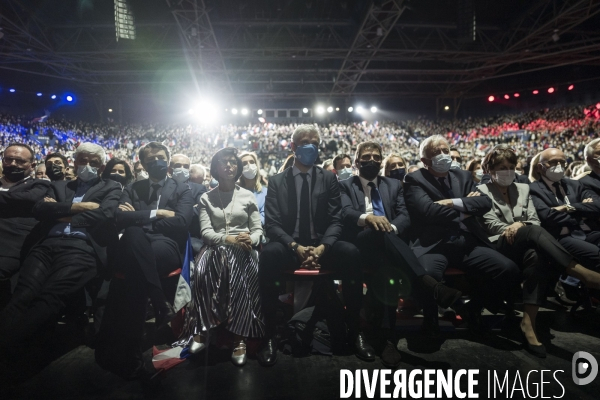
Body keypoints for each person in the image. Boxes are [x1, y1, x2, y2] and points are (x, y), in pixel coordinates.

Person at [339, 141, 461, 367]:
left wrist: (390, 229)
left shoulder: (394, 185)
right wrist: (369, 219)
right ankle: (428, 284)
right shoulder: (345, 185)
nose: (373, 160)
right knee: (378, 232)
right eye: (367, 157)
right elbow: (346, 212)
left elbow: (404, 216)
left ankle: (387, 338)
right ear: (357, 162)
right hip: (359, 243)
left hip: (389, 245)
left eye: (377, 156)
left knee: (388, 267)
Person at [258, 124, 368, 366]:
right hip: (289, 248)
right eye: (305, 142)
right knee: (268, 255)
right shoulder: (277, 181)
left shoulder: (328, 178)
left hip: (321, 247)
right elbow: (273, 225)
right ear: (294, 147)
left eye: (315, 143)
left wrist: (322, 248)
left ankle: (355, 330)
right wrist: (295, 247)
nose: (311, 146)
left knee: (350, 253)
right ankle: (270, 333)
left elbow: (335, 219)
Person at [478, 144, 600, 358]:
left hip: (525, 241)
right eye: (501, 166)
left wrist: (521, 224)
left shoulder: (523, 189)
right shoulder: (481, 192)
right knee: (534, 231)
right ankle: (582, 273)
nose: (507, 171)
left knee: (536, 256)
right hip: (498, 244)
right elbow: (490, 224)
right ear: (489, 169)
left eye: (510, 166)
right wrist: (514, 226)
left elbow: (533, 218)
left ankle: (529, 323)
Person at [0, 143, 121, 357]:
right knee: (22, 294)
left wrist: (58, 212)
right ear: (74, 162)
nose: (87, 165)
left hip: (82, 248)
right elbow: (39, 209)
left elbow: (106, 215)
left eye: (94, 163)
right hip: (46, 246)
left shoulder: (111, 186)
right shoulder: (60, 186)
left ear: (101, 167)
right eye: (83, 160)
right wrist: (83, 208)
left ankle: (8, 342)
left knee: (50, 297)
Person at [96, 141, 194, 379]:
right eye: (150, 159)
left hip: (165, 245)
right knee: (133, 237)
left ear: (168, 160)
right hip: (133, 245)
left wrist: (138, 218)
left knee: (133, 245)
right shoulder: (132, 187)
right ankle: (160, 303)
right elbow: (118, 216)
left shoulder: (182, 188)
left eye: (161, 157)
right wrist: (157, 213)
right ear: (142, 163)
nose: (156, 162)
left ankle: (128, 350)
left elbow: (181, 222)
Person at [403, 135, 519, 335]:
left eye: (445, 151)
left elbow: (484, 203)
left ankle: (473, 308)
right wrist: (466, 205)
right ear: (424, 161)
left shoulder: (463, 176)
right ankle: (431, 319)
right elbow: (427, 211)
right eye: (436, 153)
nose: (443, 155)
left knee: (508, 269)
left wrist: (453, 203)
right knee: (427, 275)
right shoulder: (414, 179)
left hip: (467, 243)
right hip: (435, 245)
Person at [176, 148, 264, 367]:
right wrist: (228, 240)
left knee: (234, 260)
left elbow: (257, 229)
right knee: (215, 261)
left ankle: (238, 336)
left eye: (233, 162)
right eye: (224, 162)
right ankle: (205, 329)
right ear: (215, 168)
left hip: (244, 249)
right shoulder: (207, 197)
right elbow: (206, 233)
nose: (229, 165)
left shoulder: (247, 195)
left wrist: (250, 240)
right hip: (215, 248)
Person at [529, 148, 600, 273]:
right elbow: (548, 217)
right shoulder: (533, 189)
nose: (558, 166)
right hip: (562, 237)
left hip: (589, 231)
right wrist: (581, 212)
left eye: (562, 162)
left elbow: (597, 206)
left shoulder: (574, 184)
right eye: (553, 162)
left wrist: (568, 207)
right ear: (540, 168)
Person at [0, 143, 51, 307]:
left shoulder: (40, 185)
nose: (13, 164)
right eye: (9, 160)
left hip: (9, 248)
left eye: (19, 161)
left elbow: (27, 200)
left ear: (32, 165)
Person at [169, 155, 207, 254]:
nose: (182, 169)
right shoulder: (162, 187)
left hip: (191, 236)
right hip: (166, 234)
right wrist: (189, 208)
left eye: (186, 166)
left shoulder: (199, 188)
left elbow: (201, 210)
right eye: (178, 165)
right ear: (170, 169)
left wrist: (169, 212)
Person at [239, 151, 267, 225]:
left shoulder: (265, 192)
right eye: (244, 163)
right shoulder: (235, 191)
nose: (249, 165)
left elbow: (265, 216)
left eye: (252, 162)